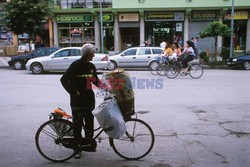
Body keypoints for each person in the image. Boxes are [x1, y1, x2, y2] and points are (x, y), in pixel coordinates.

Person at [60, 43, 100, 159]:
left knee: (89, 123)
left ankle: (87, 144)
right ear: (88, 54)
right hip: (77, 100)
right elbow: (63, 79)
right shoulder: (75, 65)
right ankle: (77, 149)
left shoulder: (91, 66)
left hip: (89, 100)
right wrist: (73, 91)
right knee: (77, 125)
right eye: (92, 53)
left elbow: (95, 82)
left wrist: (108, 88)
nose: (94, 55)